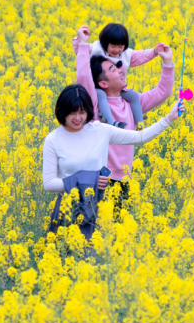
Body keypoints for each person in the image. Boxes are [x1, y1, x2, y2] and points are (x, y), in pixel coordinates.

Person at [41, 84, 182, 236]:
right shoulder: (53, 139)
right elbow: (49, 183)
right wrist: (88, 180)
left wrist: (169, 118)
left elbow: (139, 137)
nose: (77, 118)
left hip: (99, 208)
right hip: (68, 208)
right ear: (62, 112)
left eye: (82, 112)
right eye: (72, 113)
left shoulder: (100, 130)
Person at [74, 24, 176, 212]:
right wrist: (82, 44)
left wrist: (167, 63)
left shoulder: (131, 104)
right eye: (113, 69)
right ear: (102, 83)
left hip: (124, 180)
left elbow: (162, 92)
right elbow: (83, 76)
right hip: (99, 179)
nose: (121, 70)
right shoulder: (94, 105)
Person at [88, 23, 161, 129]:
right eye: (113, 46)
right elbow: (80, 49)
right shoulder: (95, 49)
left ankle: (139, 122)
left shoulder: (126, 55)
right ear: (105, 43)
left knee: (134, 96)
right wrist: (79, 39)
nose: (116, 50)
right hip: (98, 87)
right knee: (101, 96)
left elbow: (140, 56)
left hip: (116, 88)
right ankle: (112, 121)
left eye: (120, 47)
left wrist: (154, 52)